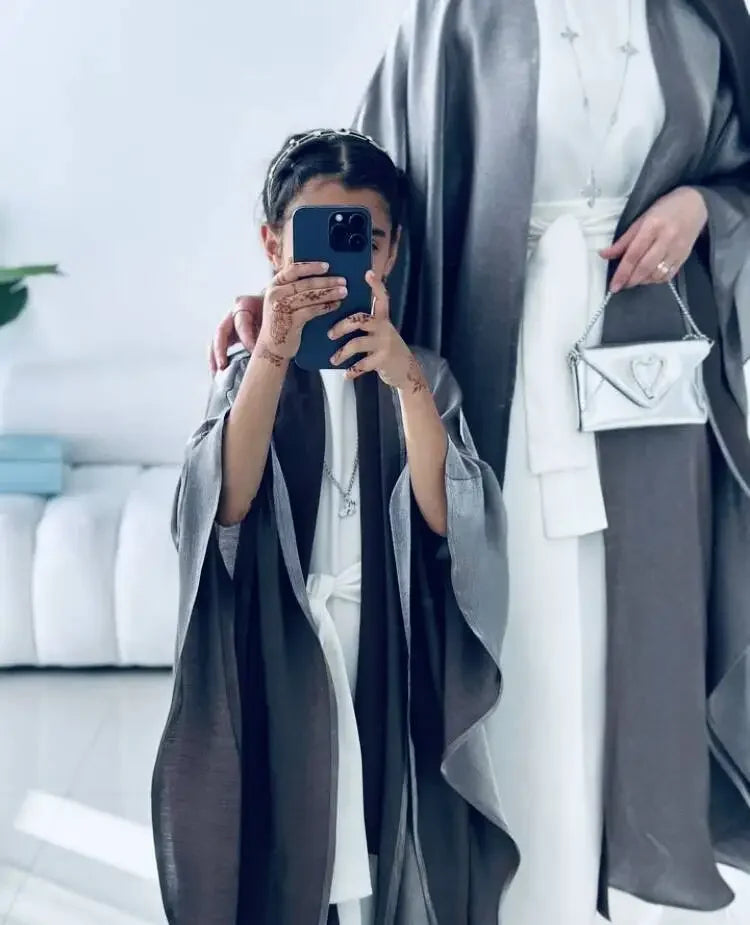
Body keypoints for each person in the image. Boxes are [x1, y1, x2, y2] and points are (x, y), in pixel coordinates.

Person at [208, 1, 750, 923]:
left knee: (634, 631)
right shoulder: (460, 18)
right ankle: (520, 896)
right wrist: (283, 306)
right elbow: (359, 186)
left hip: (648, 378)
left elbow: (740, 168)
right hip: (501, 361)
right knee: (522, 627)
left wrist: (704, 205)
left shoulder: (699, 18)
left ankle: (599, 892)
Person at [152, 129, 520, 925]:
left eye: (366, 240)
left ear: (390, 252)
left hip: (382, 643)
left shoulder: (421, 372)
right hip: (285, 646)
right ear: (272, 244)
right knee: (294, 828)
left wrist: (406, 380)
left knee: (380, 823)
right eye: (312, 238)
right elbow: (224, 502)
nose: (338, 262)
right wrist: (273, 352)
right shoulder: (248, 371)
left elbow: (448, 517)